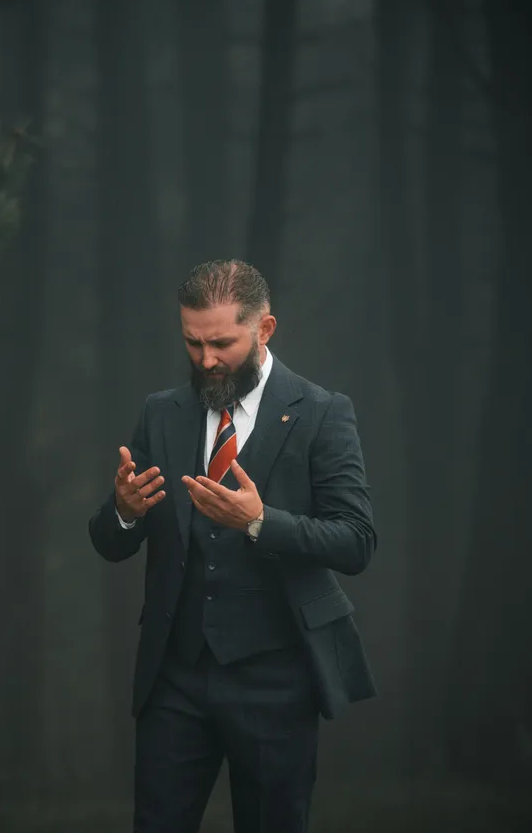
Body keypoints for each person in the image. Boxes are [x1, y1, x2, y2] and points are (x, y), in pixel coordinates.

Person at [88, 259, 377, 833]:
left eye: (221, 342)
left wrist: (262, 521)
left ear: (264, 329)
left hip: (277, 676)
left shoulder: (322, 413)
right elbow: (111, 545)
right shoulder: (161, 412)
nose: (206, 359)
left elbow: (356, 540)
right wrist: (122, 512)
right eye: (192, 342)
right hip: (176, 675)